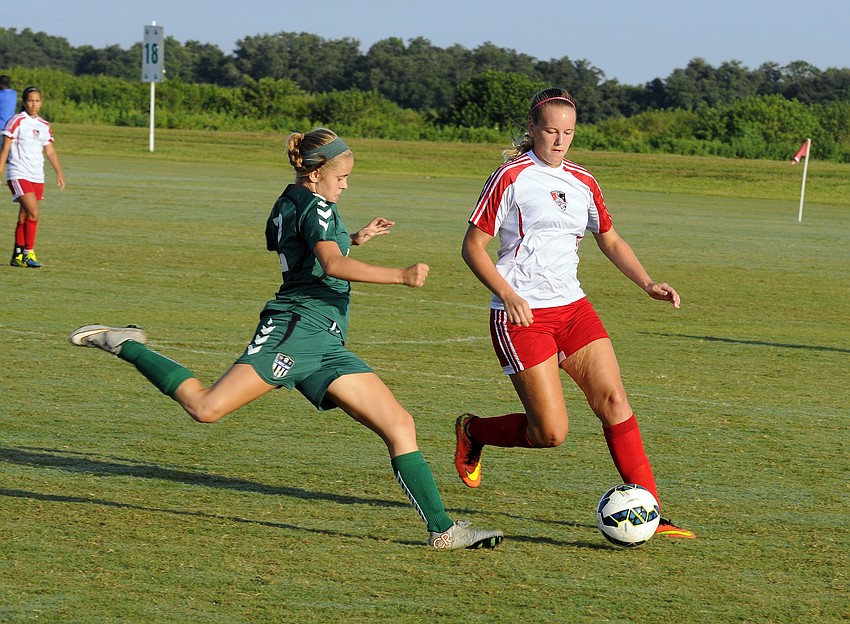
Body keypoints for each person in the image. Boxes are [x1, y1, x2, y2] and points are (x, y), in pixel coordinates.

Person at [68, 128, 503, 550]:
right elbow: (328, 264)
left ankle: (443, 531)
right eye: (341, 178)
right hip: (296, 331)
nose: (346, 187)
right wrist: (400, 276)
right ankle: (125, 342)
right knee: (205, 407)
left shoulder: (290, 200)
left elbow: (307, 254)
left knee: (399, 424)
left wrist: (354, 238)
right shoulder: (318, 208)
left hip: (325, 340)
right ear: (316, 173)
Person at [455, 87, 695, 539]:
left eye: (568, 132)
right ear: (533, 129)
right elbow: (472, 247)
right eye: (551, 131)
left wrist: (647, 283)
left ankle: (649, 509)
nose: (560, 141)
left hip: (574, 309)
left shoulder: (583, 180)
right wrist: (507, 294)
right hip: (522, 317)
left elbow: (610, 238)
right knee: (550, 433)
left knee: (615, 402)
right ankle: (473, 431)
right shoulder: (510, 177)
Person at [1, 86, 65, 268]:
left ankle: (18, 255)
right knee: (34, 213)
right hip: (18, 173)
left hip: (37, 176)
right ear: (24, 102)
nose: (34, 104)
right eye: (30, 100)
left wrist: (59, 172)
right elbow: (5, 148)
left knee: (24, 216)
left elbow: (50, 151)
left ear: (41, 102)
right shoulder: (16, 121)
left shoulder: (44, 125)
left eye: (37, 101)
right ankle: (29, 252)